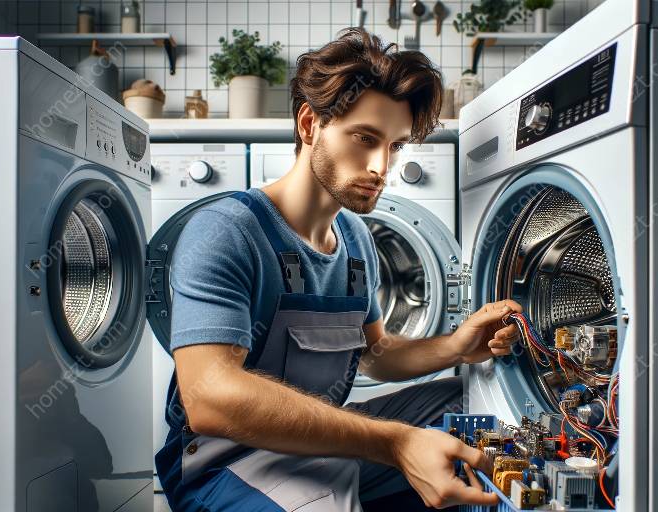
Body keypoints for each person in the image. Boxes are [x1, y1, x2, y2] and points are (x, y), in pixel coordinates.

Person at [155, 28, 522, 511]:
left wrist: (454, 347)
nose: (380, 167)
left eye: (394, 146)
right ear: (310, 125)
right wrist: (392, 442)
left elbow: (374, 353)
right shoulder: (226, 229)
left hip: (320, 436)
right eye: (365, 139)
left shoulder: (355, 240)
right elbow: (209, 399)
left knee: (472, 403)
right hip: (224, 463)